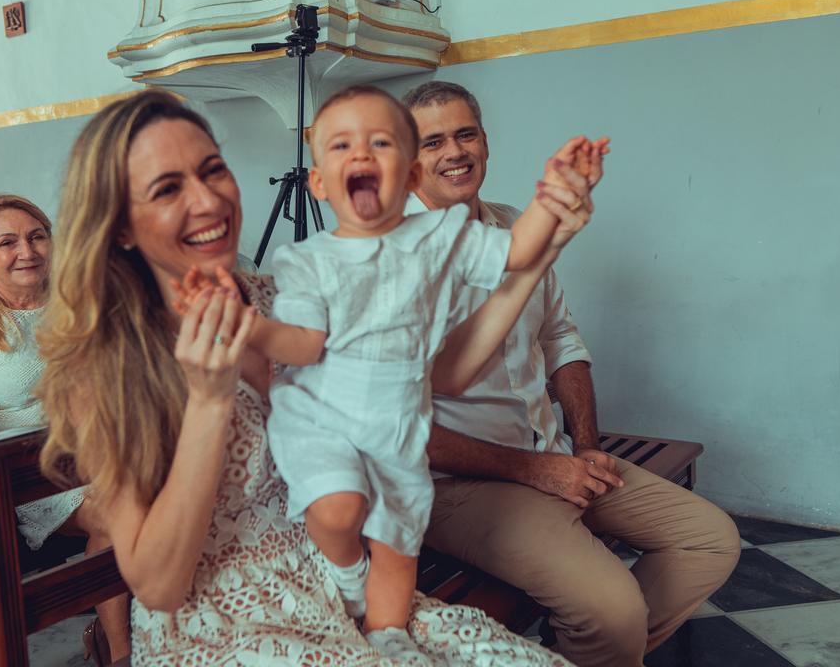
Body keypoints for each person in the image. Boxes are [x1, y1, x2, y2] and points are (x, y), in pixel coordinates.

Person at [34, 89, 582, 665]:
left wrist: (539, 254)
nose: (207, 200)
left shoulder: (285, 298)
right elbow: (158, 586)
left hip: (347, 590)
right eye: (167, 189)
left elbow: (443, 373)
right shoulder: (106, 367)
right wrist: (209, 400)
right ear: (121, 226)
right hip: (223, 629)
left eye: (212, 170)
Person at [401, 81, 741, 667]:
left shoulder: (514, 224)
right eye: (433, 142)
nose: (454, 152)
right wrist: (536, 471)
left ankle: (569, 657)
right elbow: (402, 426)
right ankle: (601, 645)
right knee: (614, 611)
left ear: (485, 142)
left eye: (465, 134)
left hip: (553, 452)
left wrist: (584, 446)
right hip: (457, 488)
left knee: (709, 540)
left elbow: (559, 338)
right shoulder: (396, 257)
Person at [0, 194, 131, 663]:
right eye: (7, 242)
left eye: (37, 237)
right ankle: (122, 654)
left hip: (96, 454)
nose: (28, 251)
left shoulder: (75, 305)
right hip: (20, 470)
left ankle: (128, 637)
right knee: (118, 515)